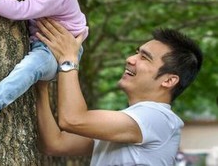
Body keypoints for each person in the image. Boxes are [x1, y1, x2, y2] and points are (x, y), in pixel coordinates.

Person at [35, 18, 203, 165]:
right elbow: (55, 143)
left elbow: (73, 120)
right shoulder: (129, 123)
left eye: (145, 57)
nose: (130, 59)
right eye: (137, 53)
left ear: (168, 80)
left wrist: (69, 58)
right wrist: (42, 86)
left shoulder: (159, 118)